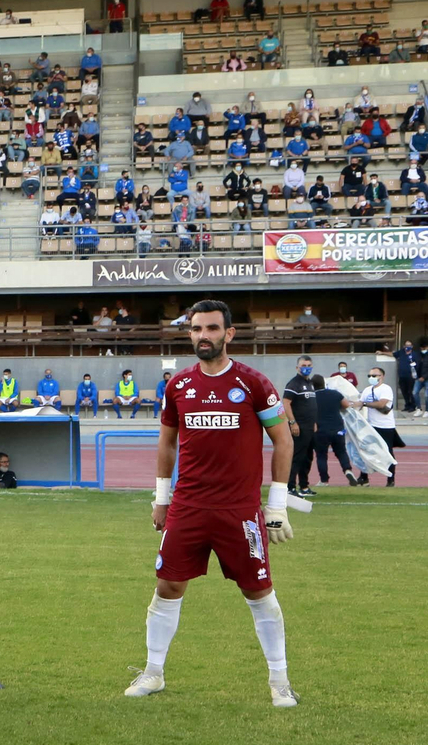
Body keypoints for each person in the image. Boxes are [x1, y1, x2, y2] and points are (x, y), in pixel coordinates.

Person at [126, 300, 297, 709]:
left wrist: (276, 506)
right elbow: (167, 443)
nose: (204, 335)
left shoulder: (254, 383)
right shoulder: (178, 386)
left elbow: (284, 440)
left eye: (212, 328)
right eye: (197, 329)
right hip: (188, 507)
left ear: (229, 333)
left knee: (259, 592)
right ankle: (153, 672)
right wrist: (161, 498)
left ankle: (280, 680)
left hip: (240, 511)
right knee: (167, 586)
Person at [358, 367, 404, 487]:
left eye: (375, 375)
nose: (371, 378)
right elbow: (359, 404)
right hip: (371, 425)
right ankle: (363, 477)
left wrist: (363, 403)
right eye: (370, 376)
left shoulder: (386, 389)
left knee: (387, 452)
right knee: (366, 450)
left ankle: (390, 478)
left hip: (385, 426)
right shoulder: (367, 390)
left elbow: (381, 403)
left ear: (382, 376)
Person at [310, 375, 358, 487]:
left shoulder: (312, 397)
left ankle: (324, 480)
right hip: (337, 428)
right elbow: (346, 405)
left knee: (321, 455)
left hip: (320, 429)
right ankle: (347, 470)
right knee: (341, 451)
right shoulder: (335, 393)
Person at [283, 356, 318, 497]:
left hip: (310, 426)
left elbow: (310, 405)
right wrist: (293, 422)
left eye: (309, 364)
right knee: (297, 457)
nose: (307, 367)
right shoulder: (294, 383)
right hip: (300, 426)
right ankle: (290, 487)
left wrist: (314, 422)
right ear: (297, 367)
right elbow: (286, 403)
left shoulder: (310, 383)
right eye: (304, 365)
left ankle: (304, 486)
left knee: (307, 457)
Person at [393, 341, 420, 414]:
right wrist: (382, 353)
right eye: (406, 345)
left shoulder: (415, 354)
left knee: (411, 391)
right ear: (404, 346)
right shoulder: (401, 352)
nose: (407, 347)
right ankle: (407, 405)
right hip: (402, 376)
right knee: (404, 391)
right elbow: (393, 354)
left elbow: (418, 364)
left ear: (412, 346)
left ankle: (413, 406)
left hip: (411, 376)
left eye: (409, 345)